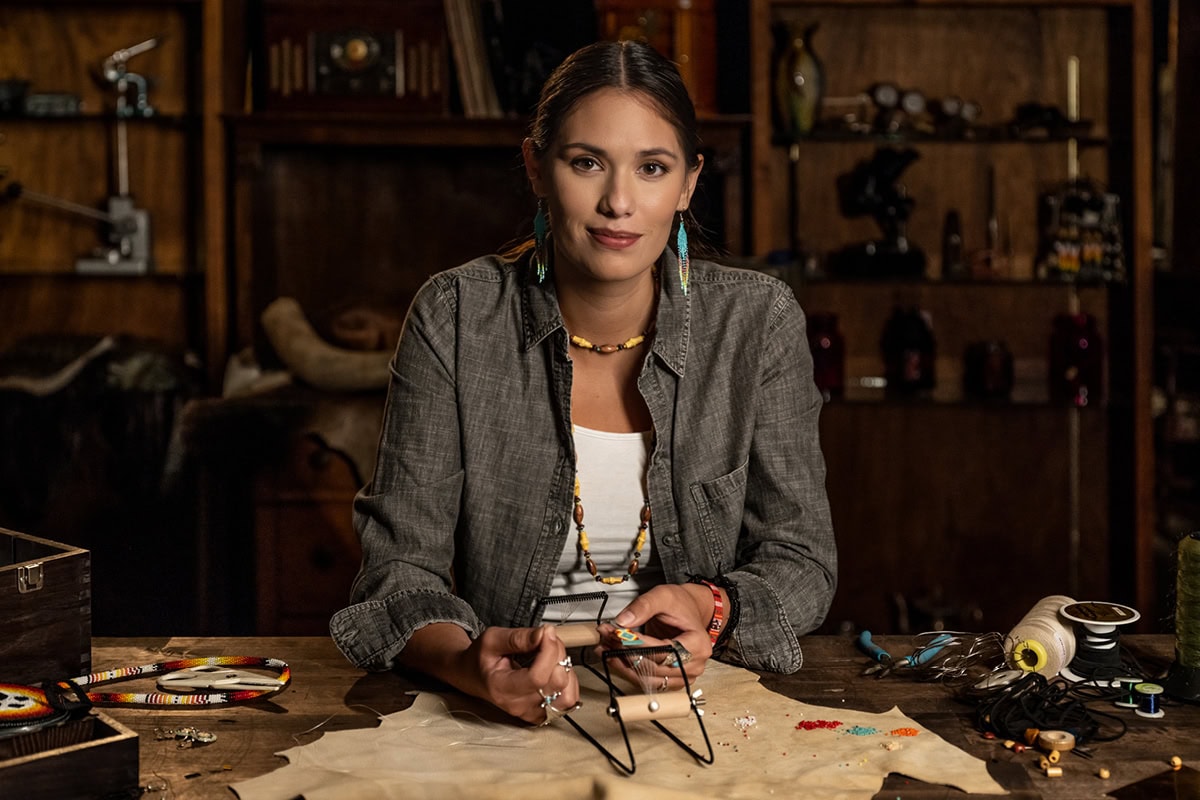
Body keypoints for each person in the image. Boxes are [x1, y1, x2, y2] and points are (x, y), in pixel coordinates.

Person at [330, 39, 836, 726]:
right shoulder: (455, 317)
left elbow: (802, 560)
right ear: (537, 167)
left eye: (652, 168)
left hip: (705, 708)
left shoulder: (757, 323)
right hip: (500, 710)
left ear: (688, 182)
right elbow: (398, 570)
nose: (618, 202)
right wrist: (466, 663)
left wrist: (709, 609)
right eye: (587, 163)